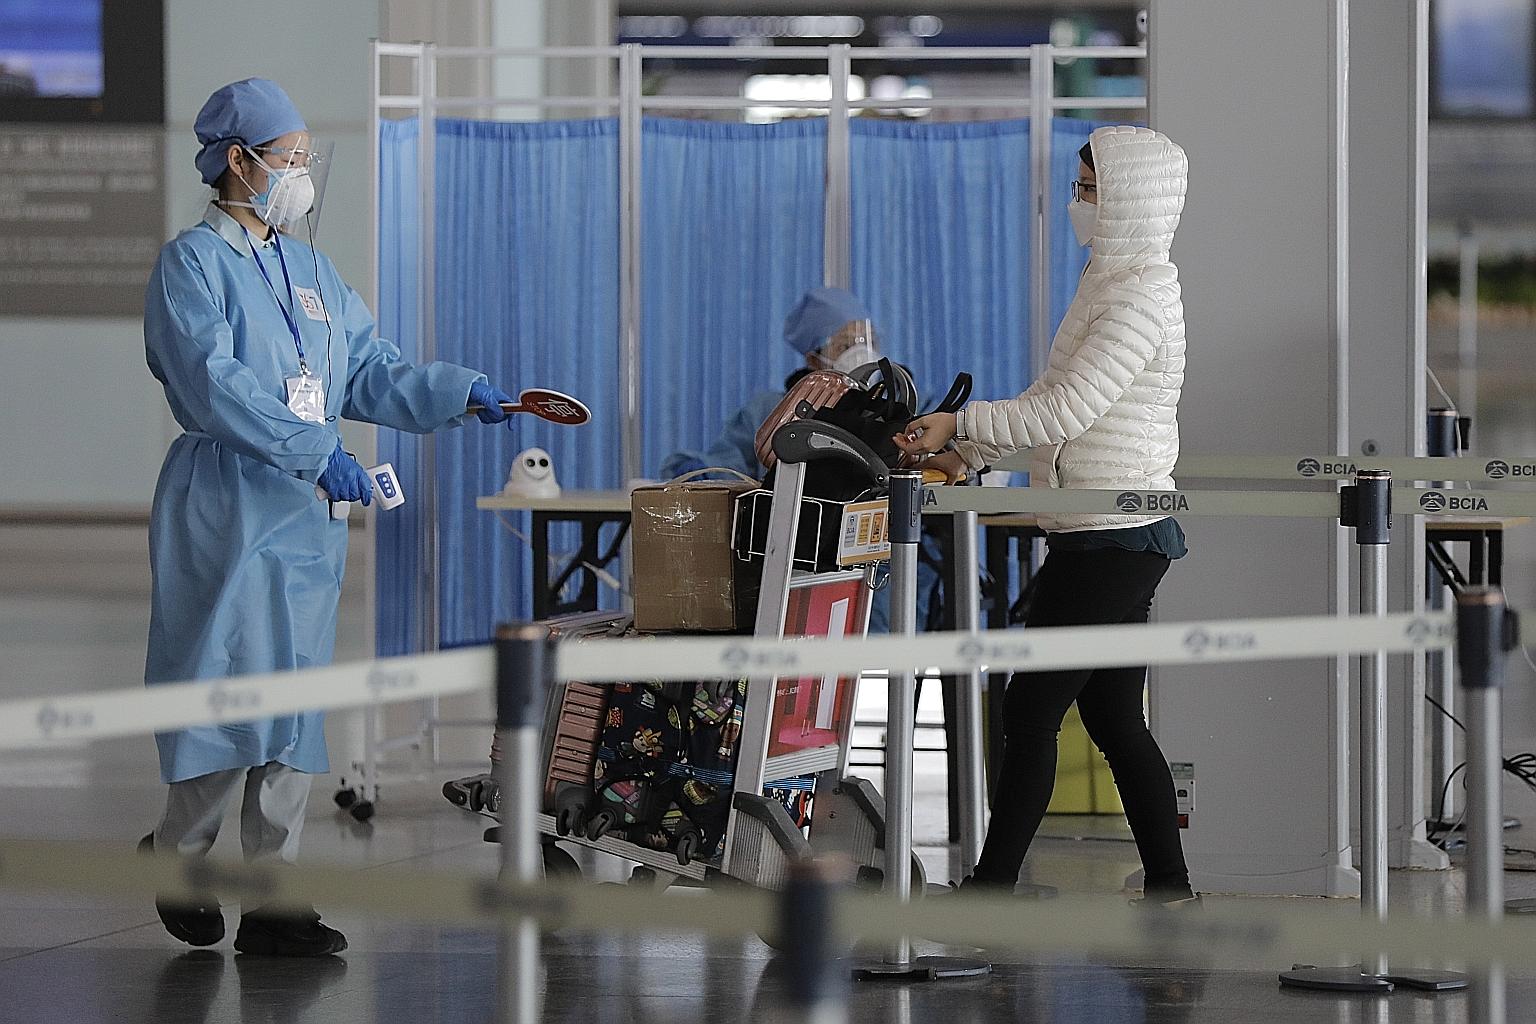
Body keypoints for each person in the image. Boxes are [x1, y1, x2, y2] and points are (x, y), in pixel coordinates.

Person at [139, 78, 520, 956]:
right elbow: (215, 386)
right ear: (239, 161)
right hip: (228, 505)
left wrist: (459, 394)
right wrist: (319, 450)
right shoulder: (191, 266)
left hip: (304, 520)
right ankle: (179, 859)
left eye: (307, 159)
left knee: (295, 705)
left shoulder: (311, 273)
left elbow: (368, 372)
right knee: (223, 690)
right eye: (290, 158)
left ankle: (275, 901)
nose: (302, 175)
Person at [897, 125, 1194, 905]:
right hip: (1101, 529)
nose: (1078, 202)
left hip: (1114, 534)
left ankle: (992, 889)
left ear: (1128, 200)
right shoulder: (1108, 283)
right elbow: (1048, 404)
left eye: (1089, 188)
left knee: (1028, 711)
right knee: (1113, 719)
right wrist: (972, 456)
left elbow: (1069, 410)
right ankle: (1171, 884)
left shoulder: (1138, 298)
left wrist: (961, 426)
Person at [658, 286, 879, 480]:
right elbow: (728, 468)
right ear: (814, 359)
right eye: (844, 346)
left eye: (869, 341)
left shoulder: (889, 407)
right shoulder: (771, 412)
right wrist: (701, 474)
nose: (861, 356)